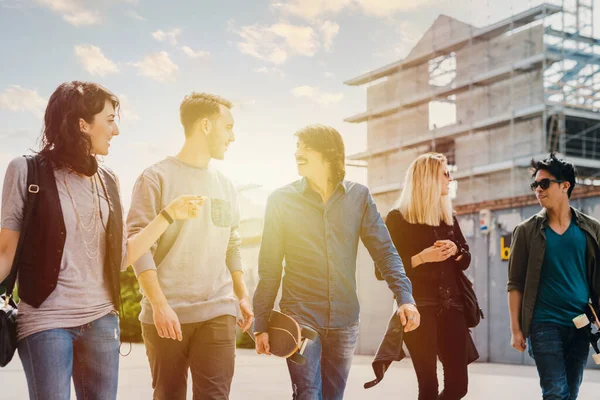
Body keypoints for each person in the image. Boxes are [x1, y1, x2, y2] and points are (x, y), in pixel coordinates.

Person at [0, 81, 202, 400]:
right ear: (82, 125)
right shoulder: (26, 171)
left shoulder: (108, 179)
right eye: (109, 119)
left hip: (102, 322)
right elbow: (5, 253)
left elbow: (120, 258)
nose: (116, 130)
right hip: (45, 320)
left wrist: (168, 215)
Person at [253, 124, 419, 400]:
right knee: (308, 394)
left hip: (344, 319)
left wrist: (405, 296)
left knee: (333, 397)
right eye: (297, 147)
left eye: (305, 147)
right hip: (300, 317)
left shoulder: (359, 197)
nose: (297, 153)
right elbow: (269, 267)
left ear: (329, 154)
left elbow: (385, 251)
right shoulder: (281, 200)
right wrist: (261, 323)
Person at [126, 92, 253, 400]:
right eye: (228, 127)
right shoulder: (154, 178)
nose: (232, 137)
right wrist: (159, 305)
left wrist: (242, 294)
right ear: (206, 125)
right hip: (166, 314)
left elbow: (231, 242)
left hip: (218, 310)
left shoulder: (225, 185)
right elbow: (140, 248)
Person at [508, 153, 600, 399]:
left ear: (565, 186)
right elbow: (515, 283)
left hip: (581, 325)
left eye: (544, 183)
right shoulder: (526, 231)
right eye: (535, 185)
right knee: (555, 392)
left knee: (571, 393)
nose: (538, 189)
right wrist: (516, 329)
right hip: (544, 324)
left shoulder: (591, 229)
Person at [385, 152, 473, 400]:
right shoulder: (397, 218)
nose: (450, 178)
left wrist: (456, 251)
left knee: (458, 386)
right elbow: (383, 270)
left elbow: (465, 258)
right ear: (427, 179)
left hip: (453, 305)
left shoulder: (447, 218)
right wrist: (422, 257)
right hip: (418, 307)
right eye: (445, 173)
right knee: (428, 386)